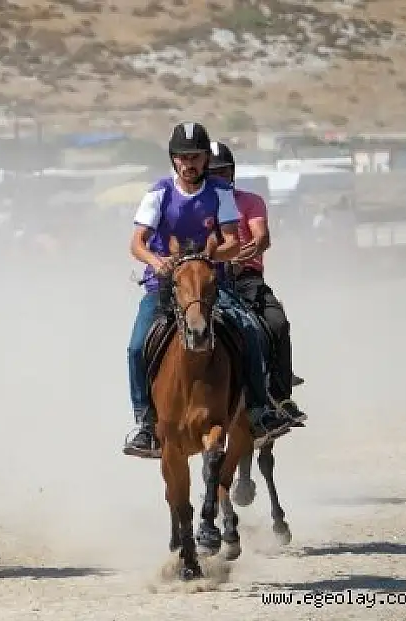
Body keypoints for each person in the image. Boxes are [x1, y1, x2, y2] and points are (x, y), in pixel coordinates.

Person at [122, 122, 297, 459]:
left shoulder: (219, 193)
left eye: (196, 156)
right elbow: (137, 243)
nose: (190, 163)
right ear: (173, 160)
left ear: (205, 159)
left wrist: (209, 258)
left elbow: (232, 240)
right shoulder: (158, 193)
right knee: (135, 346)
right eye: (183, 157)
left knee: (250, 331)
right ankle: (145, 423)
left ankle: (260, 412)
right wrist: (157, 262)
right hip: (165, 284)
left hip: (210, 283)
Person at [208, 140, 308, 424]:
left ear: (233, 173)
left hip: (246, 278)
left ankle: (281, 396)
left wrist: (245, 253)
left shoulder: (250, 201)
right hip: (207, 281)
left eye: (224, 172)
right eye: (213, 173)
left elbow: (261, 236)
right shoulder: (197, 206)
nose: (219, 178)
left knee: (277, 322)